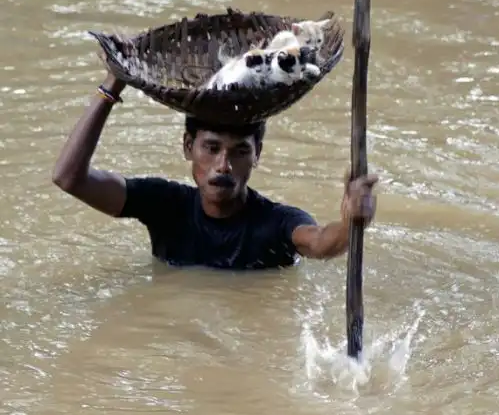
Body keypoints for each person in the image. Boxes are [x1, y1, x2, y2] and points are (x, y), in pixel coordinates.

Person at [52, 72, 379, 270]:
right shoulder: (164, 205)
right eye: (211, 148)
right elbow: (68, 178)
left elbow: (320, 243)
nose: (223, 165)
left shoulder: (277, 222)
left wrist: (352, 222)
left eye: (240, 151)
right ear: (188, 146)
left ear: (257, 154)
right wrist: (112, 86)